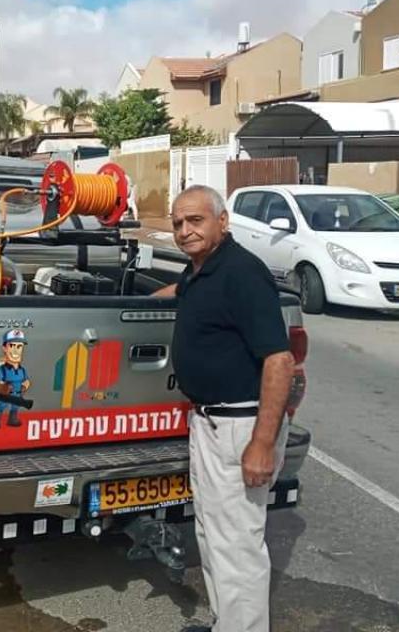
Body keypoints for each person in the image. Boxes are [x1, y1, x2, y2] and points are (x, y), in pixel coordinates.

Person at [153, 185, 295, 632]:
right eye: (177, 223)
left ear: (222, 221)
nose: (184, 230)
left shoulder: (241, 273)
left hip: (241, 426)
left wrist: (262, 444)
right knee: (213, 537)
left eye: (195, 220)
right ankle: (225, 624)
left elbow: (280, 360)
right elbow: (188, 291)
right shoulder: (202, 270)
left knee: (236, 545)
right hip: (211, 422)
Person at [0, 329, 32, 429]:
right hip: (7, 396)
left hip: (18, 395)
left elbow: (27, 381)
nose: (15, 350)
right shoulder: (2, 370)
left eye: (19, 347)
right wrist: (0, 388)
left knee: (15, 407)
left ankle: (12, 419)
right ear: (5, 348)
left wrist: (24, 386)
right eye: (11, 346)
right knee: (2, 405)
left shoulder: (22, 370)